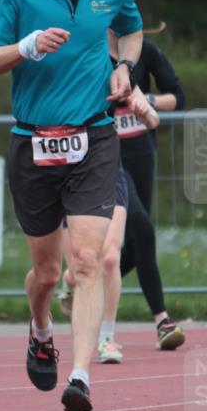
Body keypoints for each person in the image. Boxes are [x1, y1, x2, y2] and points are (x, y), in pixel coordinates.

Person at [0, 0, 143, 411]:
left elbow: (132, 30)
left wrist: (124, 67)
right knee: (47, 274)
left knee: (89, 259)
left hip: (94, 137)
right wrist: (26, 47)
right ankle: (40, 326)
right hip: (34, 142)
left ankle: (80, 376)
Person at [58, 87, 158, 364]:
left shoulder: (116, 73)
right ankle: (69, 283)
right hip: (72, 173)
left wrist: (144, 109)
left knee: (111, 258)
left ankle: (107, 337)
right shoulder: (64, 68)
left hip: (110, 170)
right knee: (81, 267)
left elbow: (153, 121)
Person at [117, 34, 187, 350]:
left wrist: (149, 100)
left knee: (136, 241)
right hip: (105, 154)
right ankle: (162, 319)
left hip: (141, 151)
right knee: (143, 226)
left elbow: (178, 97)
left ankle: (80, 280)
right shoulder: (89, 47)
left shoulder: (144, 50)